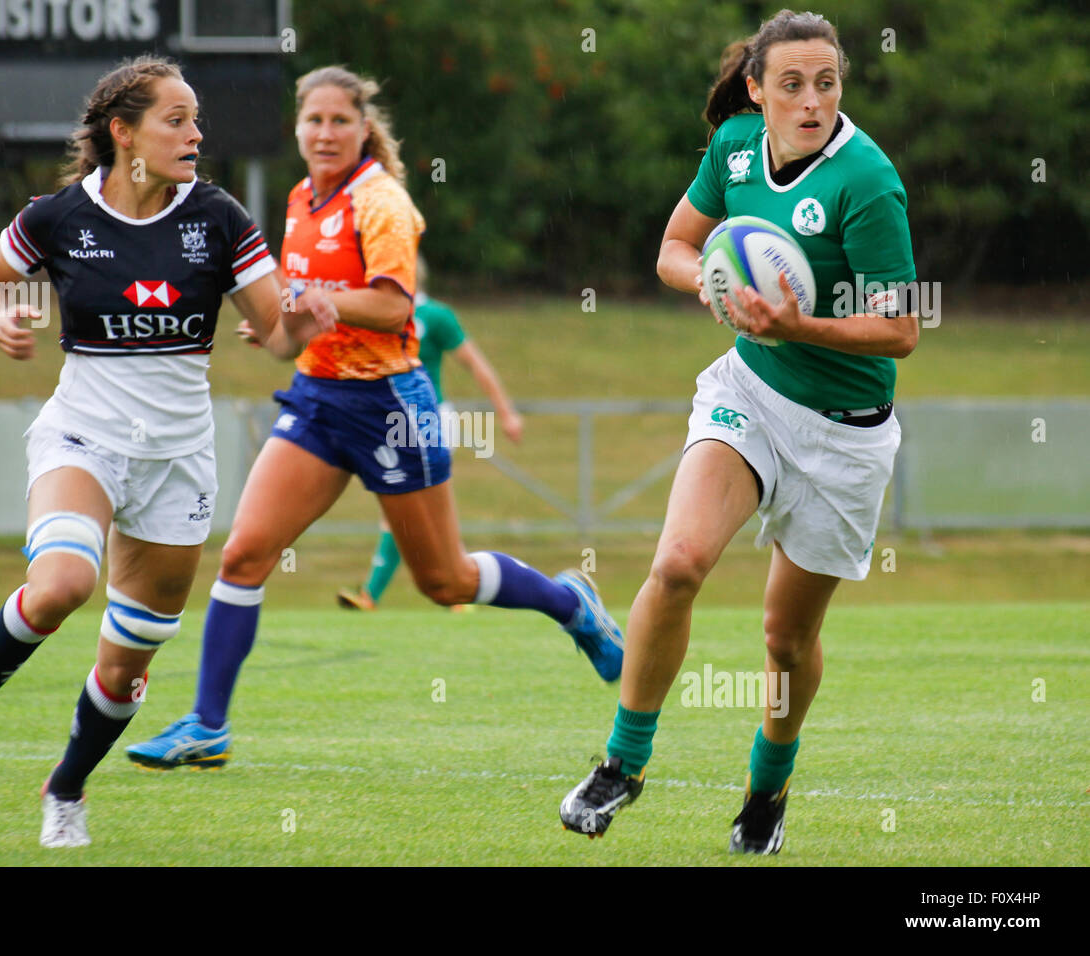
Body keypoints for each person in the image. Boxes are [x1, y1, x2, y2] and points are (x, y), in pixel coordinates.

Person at [125, 65, 623, 771]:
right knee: (242, 554)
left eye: (340, 121)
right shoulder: (300, 201)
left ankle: (569, 602)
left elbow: (394, 306)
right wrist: (276, 325)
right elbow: (288, 337)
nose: (325, 133)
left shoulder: (380, 199)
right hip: (319, 399)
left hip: (391, 405)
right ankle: (208, 725)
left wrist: (309, 293)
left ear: (363, 129)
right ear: (296, 128)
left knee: (443, 581)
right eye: (314, 121)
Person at [0, 56, 334, 848]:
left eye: (197, 118)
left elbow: (276, 337)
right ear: (122, 133)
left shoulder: (222, 218)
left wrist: (311, 318)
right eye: (176, 119)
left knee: (127, 669)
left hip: (179, 464)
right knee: (63, 581)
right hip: (83, 438)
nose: (196, 133)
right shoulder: (60, 217)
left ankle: (65, 788)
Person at [559, 9, 917, 853]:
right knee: (678, 564)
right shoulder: (732, 149)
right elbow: (675, 248)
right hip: (749, 393)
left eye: (825, 83)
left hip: (844, 435)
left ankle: (768, 787)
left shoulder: (866, 181)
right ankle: (622, 763)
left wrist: (801, 327)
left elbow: (899, 332)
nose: (810, 101)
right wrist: (715, 286)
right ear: (756, 90)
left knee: (786, 641)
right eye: (790, 84)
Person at [336, 255, 524, 611]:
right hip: (392, 420)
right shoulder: (377, 314)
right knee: (411, 510)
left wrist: (506, 412)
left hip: (429, 419)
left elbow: (474, 363)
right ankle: (452, 590)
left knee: (411, 509)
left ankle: (377, 595)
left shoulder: (435, 316)